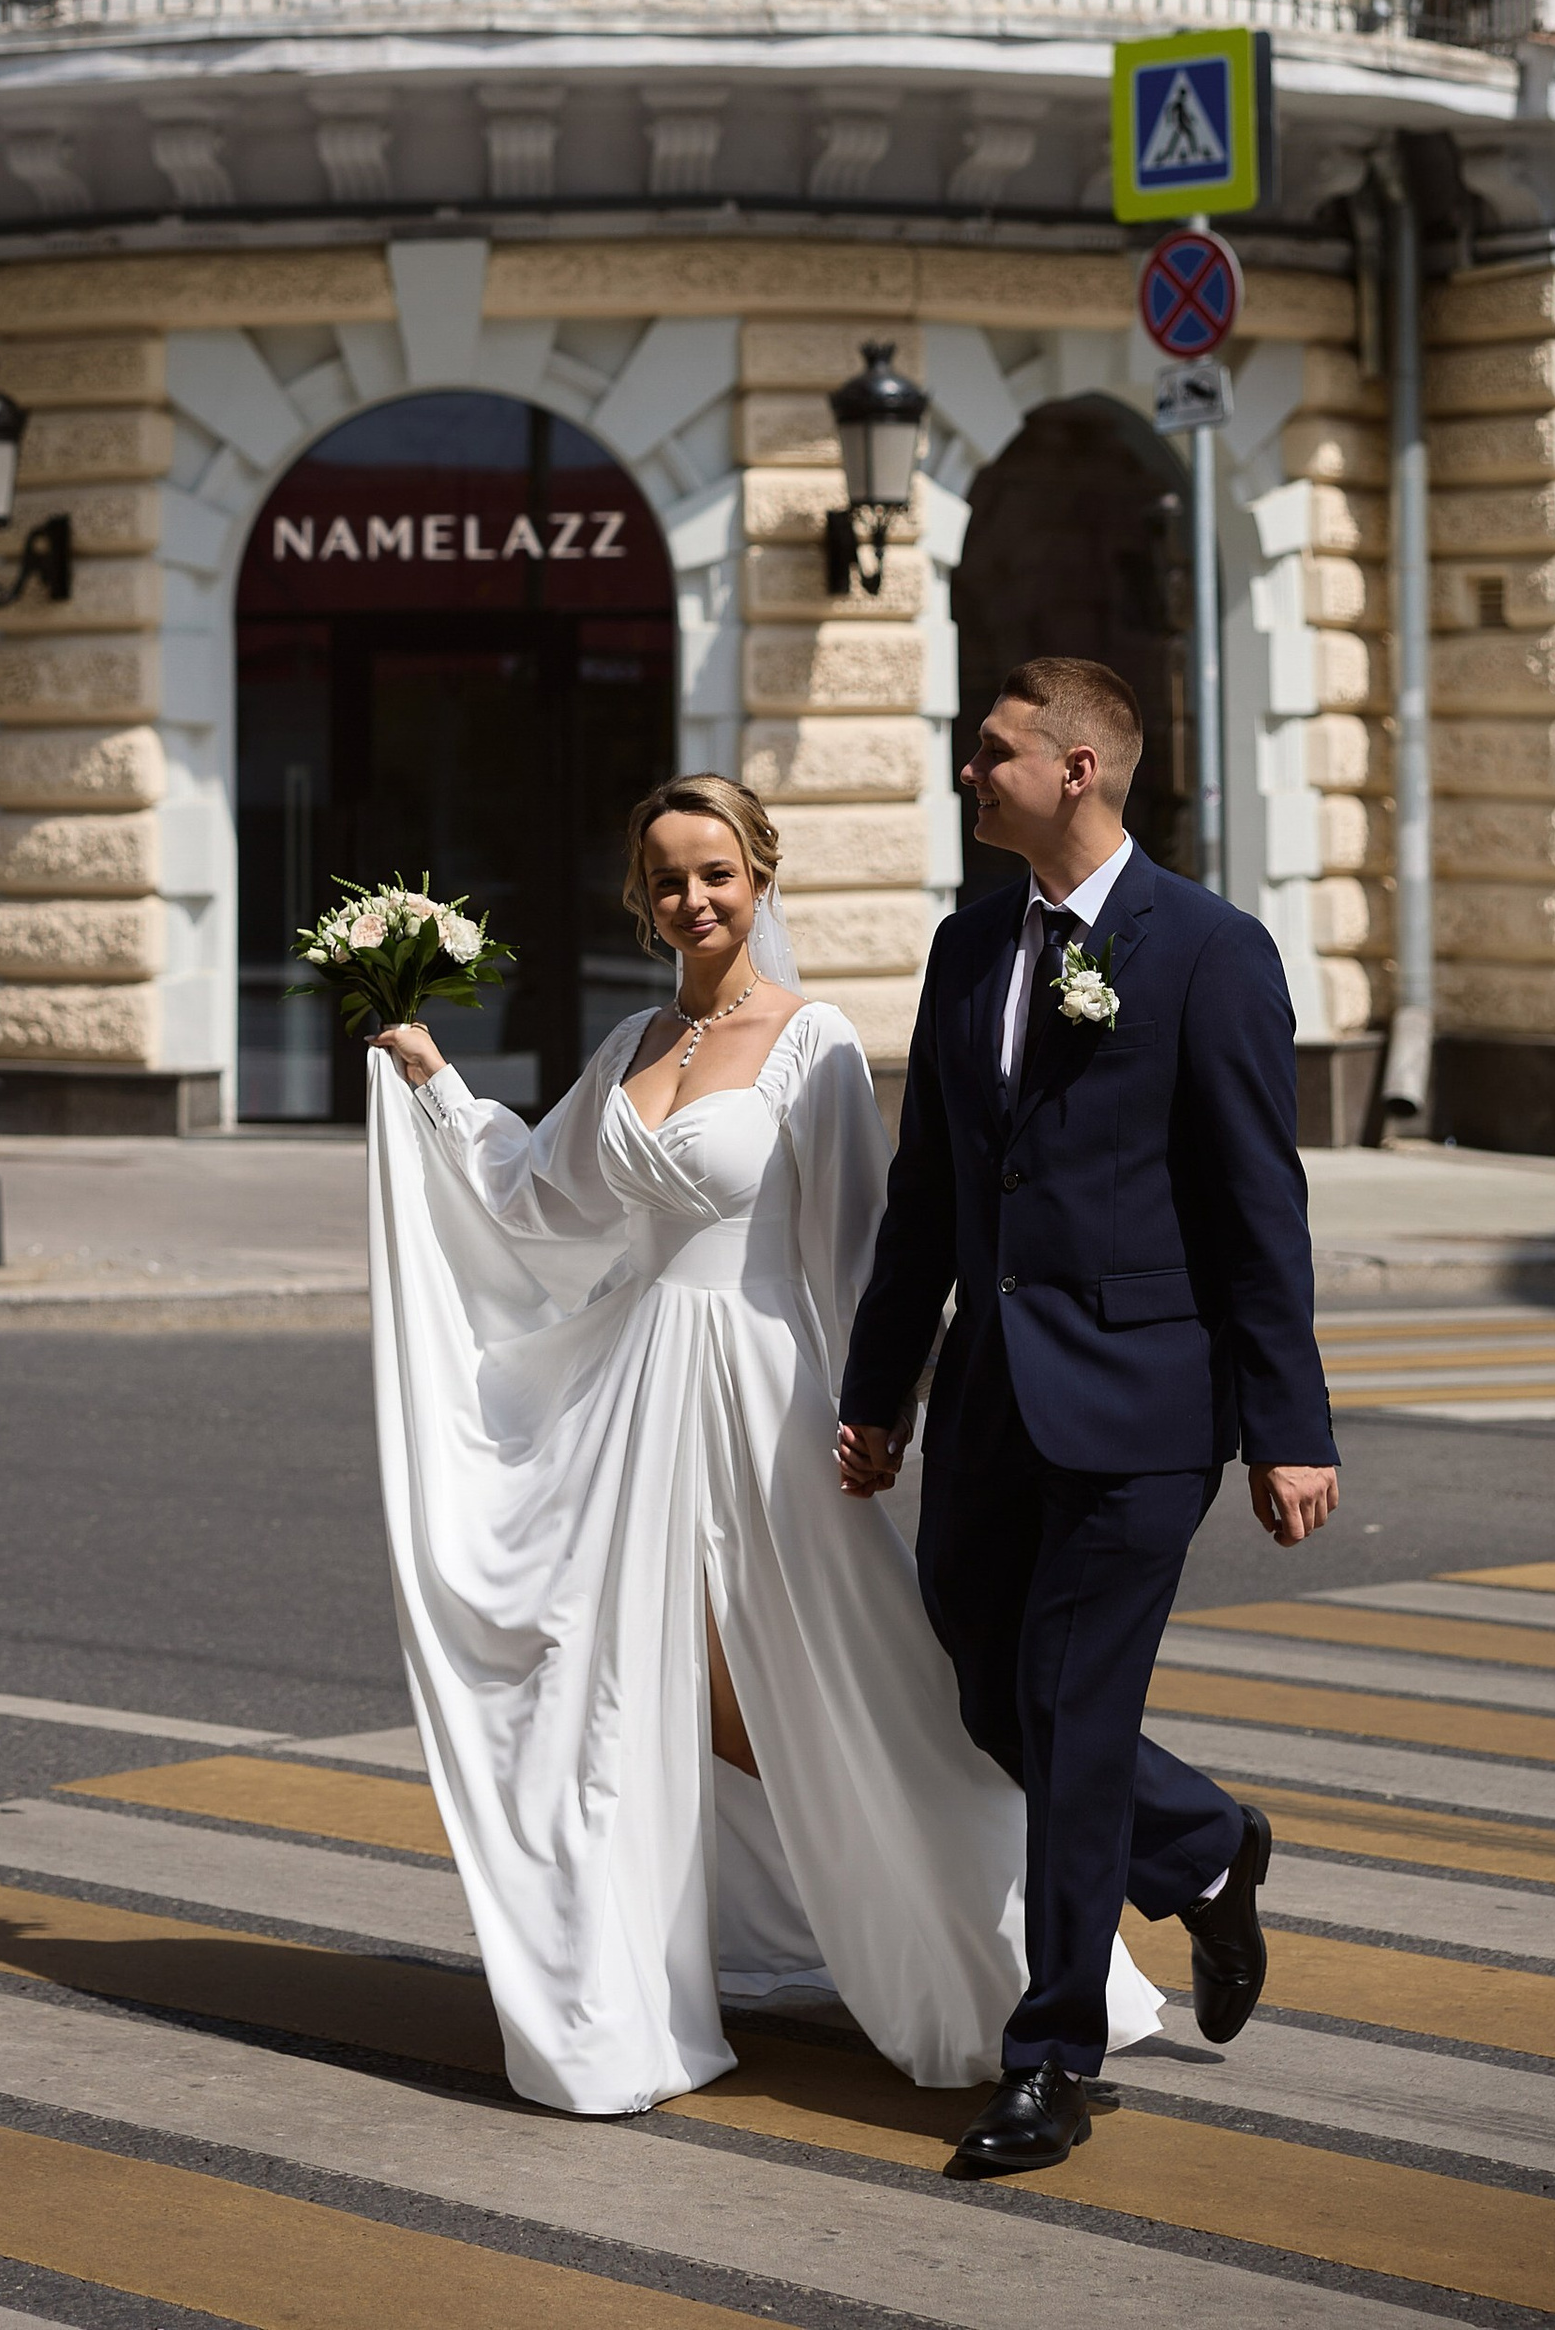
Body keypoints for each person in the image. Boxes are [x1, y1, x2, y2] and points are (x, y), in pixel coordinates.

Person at [368, 770, 1161, 2119]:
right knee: (624, 1690)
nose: (694, 899)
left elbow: (858, 1245)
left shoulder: (814, 1040)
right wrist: (434, 1081)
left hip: (767, 1395)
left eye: (716, 873)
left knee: (856, 1693)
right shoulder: (629, 1045)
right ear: (642, 899)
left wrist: (878, 1408)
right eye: (668, 879)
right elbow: (537, 1197)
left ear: (760, 878)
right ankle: (623, 1995)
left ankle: (1010, 1961)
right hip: (631, 1398)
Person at [838, 657, 1338, 2182]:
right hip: (994, 1391)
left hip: (1147, 1403)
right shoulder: (966, 945)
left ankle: (1051, 2053)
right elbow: (930, 1193)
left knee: (1069, 1708)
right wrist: (879, 1392)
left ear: (1077, 771)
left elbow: (1259, 1202)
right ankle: (1203, 1849)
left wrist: (1290, 1425)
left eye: (991, 752)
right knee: (989, 1689)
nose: (965, 772)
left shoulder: (1210, 950)